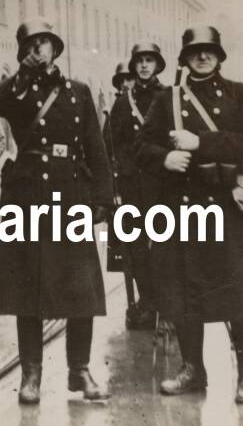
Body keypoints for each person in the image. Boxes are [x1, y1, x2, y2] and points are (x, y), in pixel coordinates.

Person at [136, 26, 243, 404]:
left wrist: (200, 143)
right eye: (195, 52)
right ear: (185, 58)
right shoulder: (167, 99)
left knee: (239, 292)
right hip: (185, 206)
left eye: (209, 51)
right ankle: (193, 368)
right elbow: (141, 145)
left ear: (220, 56)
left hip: (227, 205)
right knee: (183, 289)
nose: (202, 57)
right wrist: (164, 158)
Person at [0, 19, 113, 404]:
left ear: (56, 49)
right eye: (30, 44)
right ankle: (31, 374)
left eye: (44, 43)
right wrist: (23, 73)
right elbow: (0, 102)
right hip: (27, 199)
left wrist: (102, 199)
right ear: (22, 52)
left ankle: (79, 370)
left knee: (82, 291)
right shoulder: (19, 92)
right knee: (27, 290)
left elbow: (96, 148)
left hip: (71, 197)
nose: (38, 49)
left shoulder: (78, 92)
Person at [104, 43, 167, 330]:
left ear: (157, 65)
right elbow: (110, 144)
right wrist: (114, 182)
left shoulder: (168, 97)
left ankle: (167, 304)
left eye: (149, 60)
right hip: (131, 185)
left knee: (165, 244)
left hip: (163, 182)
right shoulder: (122, 102)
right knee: (136, 247)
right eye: (139, 61)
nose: (143, 66)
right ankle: (147, 301)